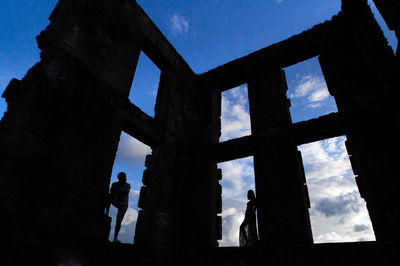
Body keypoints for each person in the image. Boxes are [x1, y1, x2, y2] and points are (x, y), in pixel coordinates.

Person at [105, 172, 131, 243]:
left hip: (123, 205)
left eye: (125, 178)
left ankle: (115, 238)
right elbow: (112, 193)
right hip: (116, 200)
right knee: (109, 196)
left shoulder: (127, 185)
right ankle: (106, 212)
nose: (125, 180)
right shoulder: (114, 184)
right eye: (123, 178)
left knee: (118, 221)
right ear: (119, 179)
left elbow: (124, 194)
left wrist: (116, 193)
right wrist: (117, 194)